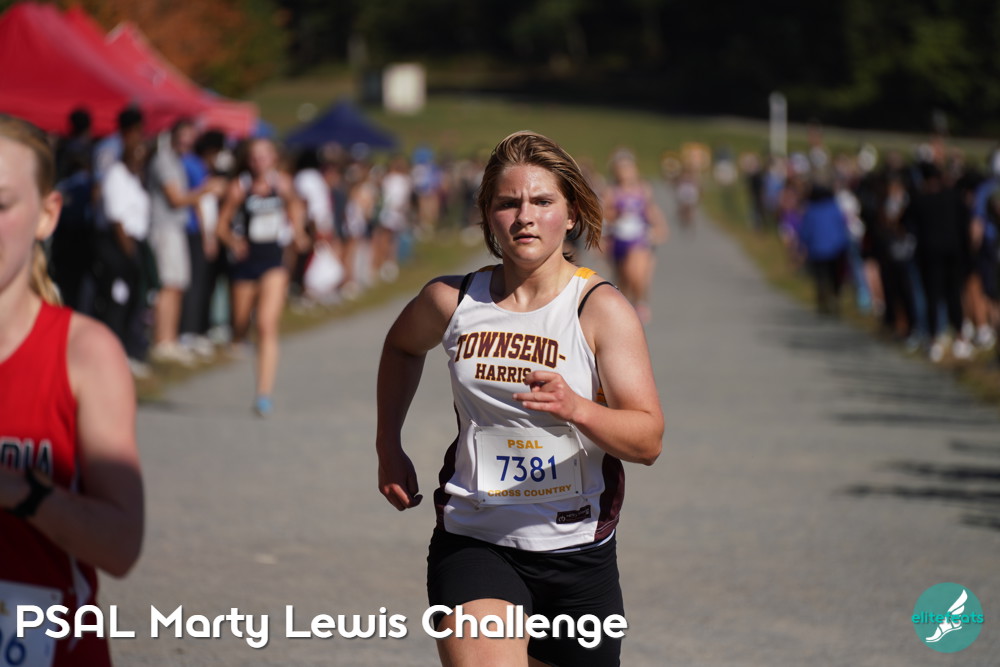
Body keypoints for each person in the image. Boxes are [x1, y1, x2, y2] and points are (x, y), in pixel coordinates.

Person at [376, 130, 663, 666]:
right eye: (508, 203)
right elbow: (401, 346)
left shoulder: (599, 309)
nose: (525, 217)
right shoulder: (452, 300)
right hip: (476, 540)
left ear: (571, 214)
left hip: (578, 553)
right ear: (488, 215)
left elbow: (647, 440)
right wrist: (387, 444)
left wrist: (577, 408)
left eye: (542, 201)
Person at [0, 115, 143, 665]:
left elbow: (121, 546)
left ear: (47, 214)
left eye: (2, 204)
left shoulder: (83, 354)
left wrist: (21, 492)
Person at [216, 138, 307, 416]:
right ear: (248, 160)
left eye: (265, 155)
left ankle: (263, 394)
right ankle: (238, 337)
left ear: (274, 158)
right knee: (240, 324)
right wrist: (233, 242)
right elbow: (221, 226)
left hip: (273, 263)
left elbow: (296, 206)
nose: (259, 161)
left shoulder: (283, 184)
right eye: (254, 156)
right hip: (245, 264)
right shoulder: (239, 187)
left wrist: (298, 231)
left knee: (266, 325)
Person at [603, 149, 668, 323]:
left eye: (628, 167)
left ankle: (640, 303)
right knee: (623, 280)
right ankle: (625, 310)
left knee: (636, 273)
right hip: (619, 239)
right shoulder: (612, 191)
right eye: (621, 168)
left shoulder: (642, 189)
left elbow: (651, 210)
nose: (625, 172)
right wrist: (616, 218)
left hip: (639, 238)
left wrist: (660, 227)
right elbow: (605, 214)